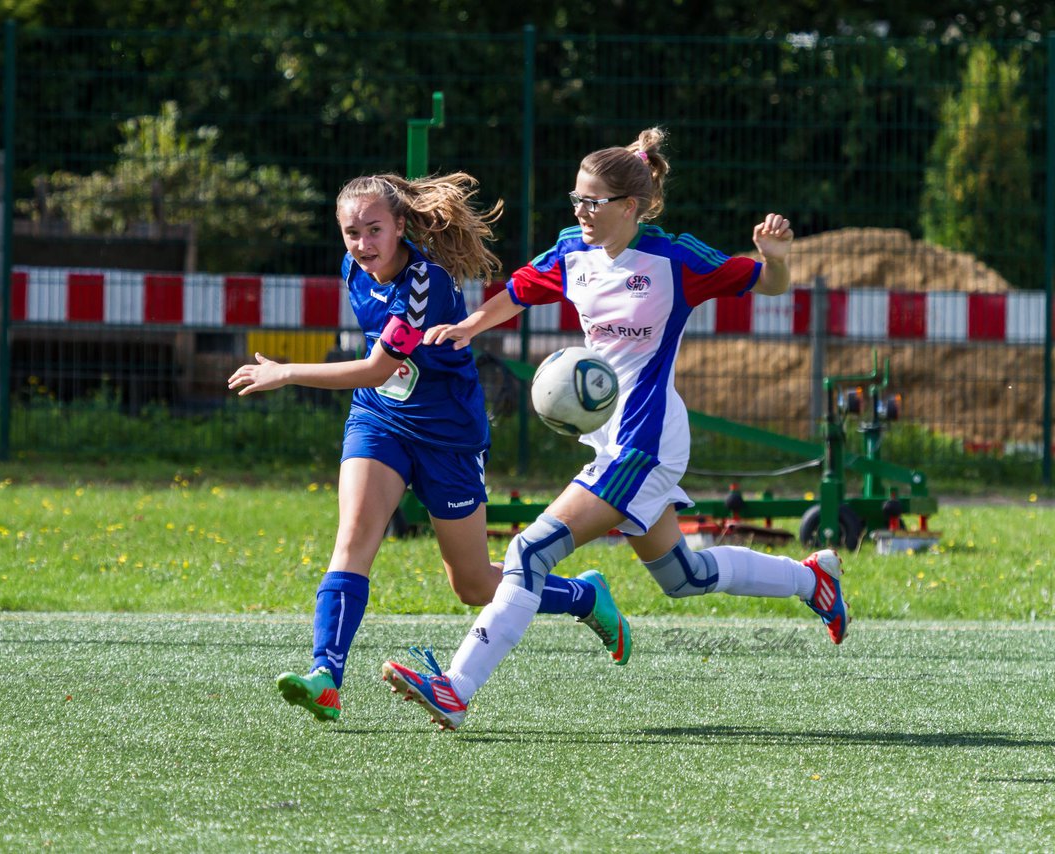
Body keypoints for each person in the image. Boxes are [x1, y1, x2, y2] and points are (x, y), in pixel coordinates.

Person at [379, 129, 849, 731]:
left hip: (644, 441)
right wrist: (470, 326)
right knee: (685, 576)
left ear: (630, 206)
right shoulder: (574, 252)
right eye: (575, 200)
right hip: (612, 440)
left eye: (593, 202)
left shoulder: (676, 261)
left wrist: (777, 259)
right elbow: (520, 290)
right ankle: (811, 580)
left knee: (529, 551)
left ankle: (456, 687)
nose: (581, 212)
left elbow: (768, 284)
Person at [227, 172, 632, 723]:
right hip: (381, 421)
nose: (363, 243)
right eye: (351, 232)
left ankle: (584, 597)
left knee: (472, 585)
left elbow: (376, 368)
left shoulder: (426, 283)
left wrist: (286, 372)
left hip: (448, 438)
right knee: (352, 541)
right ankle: (326, 675)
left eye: (374, 229)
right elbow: (380, 382)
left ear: (399, 227)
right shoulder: (353, 268)